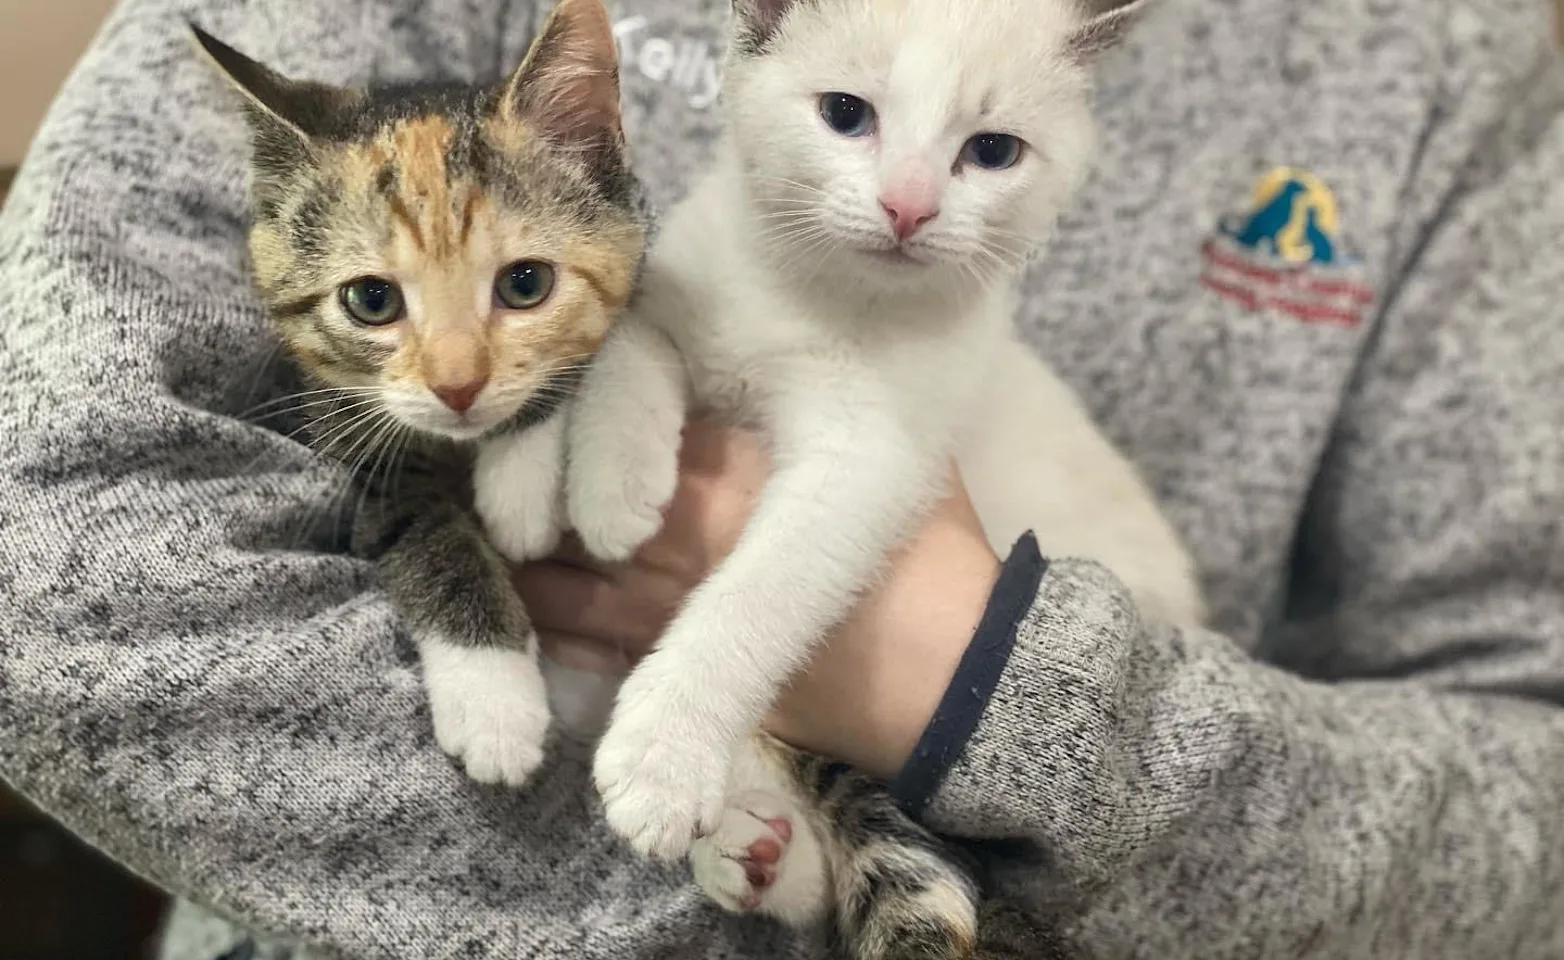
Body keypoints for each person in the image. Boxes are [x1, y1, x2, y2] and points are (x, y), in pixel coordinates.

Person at [0, 0, 1561, 957]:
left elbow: (1527, 799)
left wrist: (976, 683)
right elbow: (56, 548)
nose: (902, 204)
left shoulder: (1446, 55)